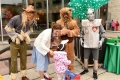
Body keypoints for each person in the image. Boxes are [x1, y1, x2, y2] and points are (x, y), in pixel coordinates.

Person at [4, 5, 37, 80]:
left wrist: (25, 35)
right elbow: (7, 29)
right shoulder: (16, 18)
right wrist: (17, 35)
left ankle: (23, 76)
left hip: (23, 43)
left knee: (23, 59)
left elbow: (29, 30)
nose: (31, 16)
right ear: (25, 13)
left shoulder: (31, 21)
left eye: (32, 14)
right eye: (29, 14)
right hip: (14, 42)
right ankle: (13, 77)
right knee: (14, 60)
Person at [80, 8, 105, 79]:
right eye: (88, 14)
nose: (89, 16)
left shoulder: (98, 22)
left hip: (95, 43)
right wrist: (81, 39)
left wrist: (101, 40)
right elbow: (82, 32)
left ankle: (95, 72)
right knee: (85, 57)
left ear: (93, 14)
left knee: (96, 59)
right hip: (87, 43)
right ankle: (85, 69)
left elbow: (103, 32)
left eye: (90, 14)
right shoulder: (84, 23)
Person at [56, 7, 80, 72]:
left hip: (70, 42)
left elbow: (77, 31)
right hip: (62, 43)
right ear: (62, 15)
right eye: (64, 14)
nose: (65, 16)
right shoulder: (58, 22)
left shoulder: (73, 22)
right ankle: (63, 69)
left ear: (69, 14)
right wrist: (61, 32)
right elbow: (55, 32)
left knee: (70, 56)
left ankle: (71, 69)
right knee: (62, 56)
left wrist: (69, 32)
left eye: (67, 14)